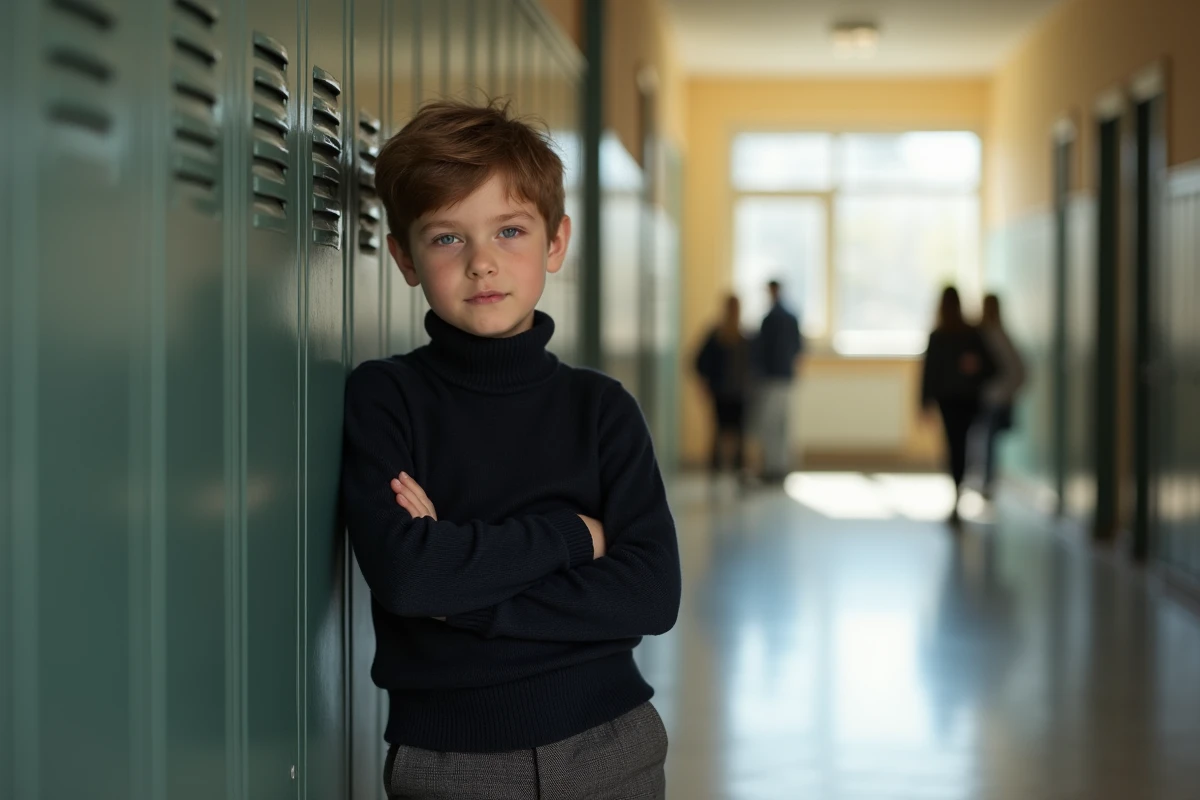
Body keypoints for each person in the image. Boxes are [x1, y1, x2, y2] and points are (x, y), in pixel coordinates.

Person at [341, 99, 681, 799]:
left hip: (612, 746)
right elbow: (408, 579)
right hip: (450, 763)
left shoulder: (602, 409)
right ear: (404, 256)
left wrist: (460, 593)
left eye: (510, 230)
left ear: (555, 242)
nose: (482, 263)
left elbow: (650, 594)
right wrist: (572, 536)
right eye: (446, 238)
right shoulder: (385, 397)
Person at [921, 286, 996, 524]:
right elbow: (930, 371)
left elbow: (989, 366)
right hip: (962, 399)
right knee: (960, 446)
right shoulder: (963, 334)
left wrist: (924, 401)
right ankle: (959, 490)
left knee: (956, 446)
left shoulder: (957, 335)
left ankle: (958, 490)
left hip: (957, 400)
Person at [695, 294, 753, 481]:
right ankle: (716, 469)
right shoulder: (716, 335)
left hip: (739, 392)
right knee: (720, 431)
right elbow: (699, 362)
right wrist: (706, 384)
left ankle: (738, 469)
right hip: (721, 391)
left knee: (739, 433)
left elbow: (752, 365)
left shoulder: (745, 336)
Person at [976, 293, 1027, 498]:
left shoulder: (995, 335)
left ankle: (987, 483)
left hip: (994, 399)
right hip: (992, 397)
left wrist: (1000, 392)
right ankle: (984, 482)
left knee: (987, 443)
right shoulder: (991, 333)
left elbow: (1019, 371)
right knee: (985, 442)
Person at [755, 279, 804, 483]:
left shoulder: (770, 319)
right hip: (786, 377)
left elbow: (761, 351)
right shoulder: (791, 317)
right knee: (783, 424)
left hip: (772, 378)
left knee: (772, 425)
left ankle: (773, 467)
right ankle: (781, 466)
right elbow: (799, 348)